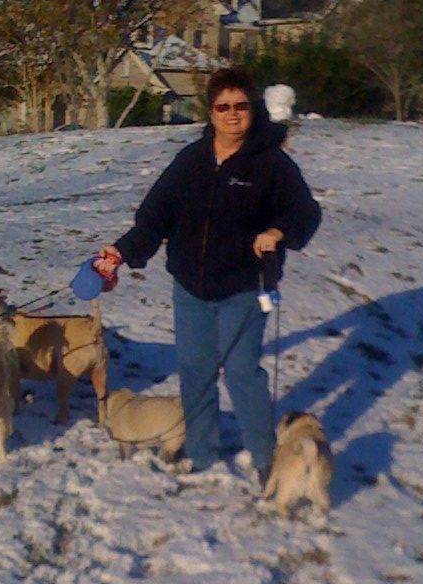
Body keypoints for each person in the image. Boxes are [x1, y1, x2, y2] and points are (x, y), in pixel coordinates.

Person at [94, 67, 321, 481]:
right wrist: (121, 253)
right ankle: (201, 453)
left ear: (253, 110)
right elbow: (154, 216)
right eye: (223, 107)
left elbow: (305, 212)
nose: (232, 114)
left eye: (241, 106)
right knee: (196, 369)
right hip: (191, 289)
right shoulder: (191, 161)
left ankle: (266, 457)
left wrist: (278, 231)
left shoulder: (271, 164)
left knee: (240, 371)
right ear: (211, 113)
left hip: (245, 288)